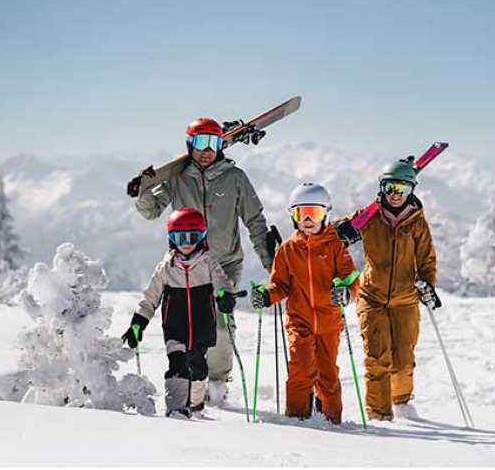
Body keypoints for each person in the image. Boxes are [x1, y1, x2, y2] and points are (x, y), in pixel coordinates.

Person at [134, 117, 273, 402]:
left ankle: (218, 384)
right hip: (187, 264)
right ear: (190, 144)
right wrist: (144, 188)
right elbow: (150, 211)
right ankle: (188, 382)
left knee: (220, 323)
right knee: (187, 325)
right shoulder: (177, 178)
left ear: (222, 145)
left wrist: (270, 259)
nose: (206, 150)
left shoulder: (236, 178)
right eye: (200, 143)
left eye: (213, 142)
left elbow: (255, 220)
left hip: (225, 263)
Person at [338, 158, 441, 421]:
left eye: (403, 189)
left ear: (411, 192)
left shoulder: (417, 221)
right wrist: (346, 230)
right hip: (371, 296)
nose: (396, 195)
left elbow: (427, 258)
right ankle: (379, 415)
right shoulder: (370, 217)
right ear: (382, 188)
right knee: (377, 358)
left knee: (403, 362)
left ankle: (402, 403)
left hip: (406, 300)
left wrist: (428, 286)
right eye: (391, 188)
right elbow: (334, 237)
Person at [250, 182, 359, 424]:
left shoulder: (335, 246)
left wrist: (346, 292)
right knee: (300, 367)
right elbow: (280, 284)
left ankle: (331, 419)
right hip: (299, 319)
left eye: (315, 213)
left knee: (327, 373)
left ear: (325, 214)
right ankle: (297, 418)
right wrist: (267, 295)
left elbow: (352, 278)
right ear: (293, 216)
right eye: (302, 213)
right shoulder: (288, 249)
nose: (308, 219)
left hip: (329, 321)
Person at [122, 207, 238, 417]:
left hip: (203, 327)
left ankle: (195, 404)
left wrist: (224, 295)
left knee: (198, 365)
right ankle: (177, 410)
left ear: (201, 236)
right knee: (177, 365)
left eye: (191, 237)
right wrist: (138, 323)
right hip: (175, 328)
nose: (185, 243)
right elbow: (150, 298)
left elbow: (222, 282)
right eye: (179, 237)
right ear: (171, 238)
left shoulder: (208, 262)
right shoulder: (165, 268)